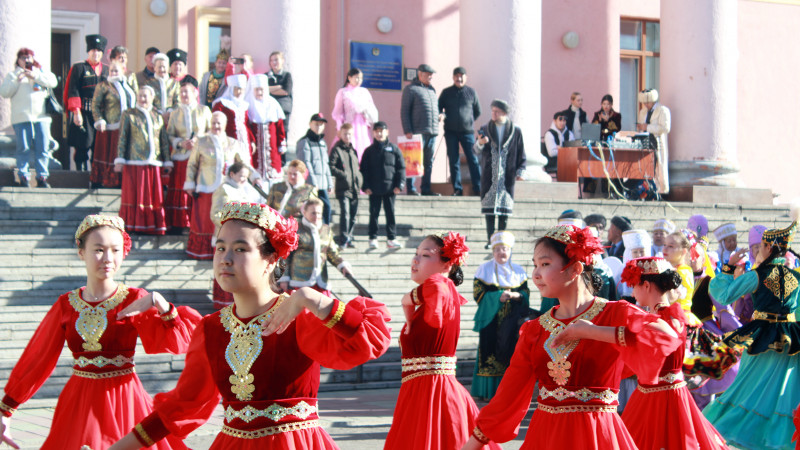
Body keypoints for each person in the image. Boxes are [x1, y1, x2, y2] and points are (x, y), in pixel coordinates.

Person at [107, 202, 392, 449]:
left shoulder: (298, 316)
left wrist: (312, 298)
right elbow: (182, 406)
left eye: (240, 248)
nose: (225, 258)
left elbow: (370, 339)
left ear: (270, 260)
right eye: (221, 248)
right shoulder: (211, 329)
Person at [463, 224, 681, 449]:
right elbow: (507, 397)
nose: (536, 274)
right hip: (546, 437)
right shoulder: (534, 330)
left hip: (598, 436)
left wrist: (590, 331)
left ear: (575, 269)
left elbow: (666, 335)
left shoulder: (616, 313)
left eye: (545, 264)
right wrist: (471, 445)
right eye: (535, 265)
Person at [0, 214, 201, 450]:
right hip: (78, 401)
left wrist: (161, 304)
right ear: (81, 251)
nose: (108, 258)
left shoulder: (135, 299)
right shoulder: (66, 304)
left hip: (124, 399)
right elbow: (38, 357)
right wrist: (7, 408)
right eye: (99, 249)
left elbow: (180, 342)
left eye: (115, 250)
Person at [386, 232, 496, 450]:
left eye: (426, 255)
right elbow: (414, 298)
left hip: (433, 395)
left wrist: (414, 301)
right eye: (416, 254)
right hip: (420, 394)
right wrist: (409, 311)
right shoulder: (433, 293)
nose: (415, 260)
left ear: (447, 265)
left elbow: (436, 286)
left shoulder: (441, 286)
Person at [704, 218, 800, 449]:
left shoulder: (758, 274)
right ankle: (777, 439)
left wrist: (728, 267)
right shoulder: (796, 277)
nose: (757, 251)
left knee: (747, 387)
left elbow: (724, 294)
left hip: (762, 339)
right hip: (790, 340)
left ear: (768, 248)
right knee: (781, 392)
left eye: (760, 247)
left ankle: (728, 429)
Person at [619, 257, 727, 449]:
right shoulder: (669, 314)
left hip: (662, 396)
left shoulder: (663, 317)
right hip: (658, 392)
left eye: (633, 285)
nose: (632, 292)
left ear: (646, 285)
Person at [184, 111, 260, 259]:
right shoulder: (201, 141)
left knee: (221, 222)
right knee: (204, 222)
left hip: (226, 189)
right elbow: (192, 164)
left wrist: (254, 176)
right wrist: (189, 182)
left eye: (219, 123)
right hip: (205, 186)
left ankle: (219, 253)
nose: (216, 126)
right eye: (213, 123)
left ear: (224, 125)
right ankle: (201, 252)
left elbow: (243, 163)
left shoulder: (233, 143)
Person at [471, 231, 530, 401]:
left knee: (511, 353)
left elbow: (525, 293)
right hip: (491, 319)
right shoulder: (484, 269)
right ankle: (488, 391)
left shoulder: (518, 271)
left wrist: (516, 296)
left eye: (505, 249)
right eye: (497, 249)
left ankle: (508, 391)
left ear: (510, 251)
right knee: (489, 353)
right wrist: (497, 297)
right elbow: (478, 293)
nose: (501, 252)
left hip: (513, 320)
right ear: (493, 251)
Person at [114, 85, 172, 235]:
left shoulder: (157, 116)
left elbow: (163, 140)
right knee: (134, 194)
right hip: (134, 162)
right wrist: (120, 159)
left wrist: (167, 160)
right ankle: (133, 225)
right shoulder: (129, 114)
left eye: (145, 96)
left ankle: (152, 225)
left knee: (152, 196)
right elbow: (123, 138)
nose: (142, 99)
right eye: (140, 95)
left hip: (153, 162)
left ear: (152, 98)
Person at [208, 162, 263, 310]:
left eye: (246, 177)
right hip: (227, 237)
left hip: (244, 238)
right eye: (241, 176)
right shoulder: (224, 189)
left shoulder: (245, 190)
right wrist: (233, 225)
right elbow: (215, 213)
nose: (244, 180)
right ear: (232, 174)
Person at [0, 47, 58, 187]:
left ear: (33, 59)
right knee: (23, 147)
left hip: (41, 117)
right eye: (23, 58)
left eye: (29, 57)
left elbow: (53, 82)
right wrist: (17, 80)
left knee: (42, 147)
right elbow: (5, 92)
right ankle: (23, 176)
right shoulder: (13, 75)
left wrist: (35, 76)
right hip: (22, 117)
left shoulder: (40, 71)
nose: (26, 60)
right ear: (18, 60)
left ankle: (42, 177)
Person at [475, 99, 527, 250]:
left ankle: (501, 240)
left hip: (507, 176)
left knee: (504, 211)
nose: (493, 114)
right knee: (489, 209)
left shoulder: (515, 131)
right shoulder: (485, 128)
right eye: (492, 111)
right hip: (489, 175)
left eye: (496, 111)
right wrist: (480, 143)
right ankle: (490, 239)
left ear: (504, 113)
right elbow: (475, 150)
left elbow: (521, 152)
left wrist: (520, 170)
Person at [165, 75, 212, 231]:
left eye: (187, 92)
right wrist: (180, 142)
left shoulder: (204, 110)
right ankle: (179, 224)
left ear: (195, 93)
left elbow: (211, 131)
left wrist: (198, 140)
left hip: (199, 158)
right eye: (182, 92)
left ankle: (196, 223)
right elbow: (169, 134)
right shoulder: (175, 113)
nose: (184, 95)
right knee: (180, 190)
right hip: (181, 158)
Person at [278, 198, 351, 295]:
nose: (317, 216)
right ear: (304, 212)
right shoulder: (295, 229)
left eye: (319, 213)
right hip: (299, 282)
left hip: (320, 282)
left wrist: (342, 265)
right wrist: (284, 278)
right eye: (313, 213)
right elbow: (285, 255)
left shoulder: (326, 230)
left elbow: (332, 253)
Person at [89, 61, 136, 189]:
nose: (113, 73)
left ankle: (123, 181)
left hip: (127, 127)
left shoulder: (129, 85)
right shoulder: (104, 85)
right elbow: (95, 105)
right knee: (109, 154)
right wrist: (99, 120)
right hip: (110, 127)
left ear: (122, 71)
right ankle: (107, 181)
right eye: (111, 71)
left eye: (116, 71)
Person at [65, 34, 109, 171]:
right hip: (84, 113)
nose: (95, 53)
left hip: (102, 115)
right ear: (88, 51)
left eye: (98, 51)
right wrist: (76, 112)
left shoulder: (107, 70)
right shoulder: (79, 68)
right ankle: (80, 175)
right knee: (82, 146)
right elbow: (73, 90)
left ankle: (96, 177)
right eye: (93, 50)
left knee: (99, 148)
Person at [360, 121, 405, 250]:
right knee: (374, 214)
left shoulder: (394, 149)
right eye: (377, 131)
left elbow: (401, 168)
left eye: (382, 131)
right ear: (373, 133)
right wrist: (365, 186)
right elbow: (364, 170)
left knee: (390, 213)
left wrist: (399, 185)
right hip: (373, 189)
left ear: (387, 132)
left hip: (390, 189)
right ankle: (373, 238)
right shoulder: (368, 151)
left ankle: (391, 239)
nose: (379, 133)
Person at [438, 66, 482, 196]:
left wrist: (468, 121)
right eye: (457, 76)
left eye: (462, 76)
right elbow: (439, 108)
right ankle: (457, 189)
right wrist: (441, 115)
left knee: (473, 159)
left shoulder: (471, 92)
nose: (459, 78)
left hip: (467, 132)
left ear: (466, 77)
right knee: (453, 160)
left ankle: (478, 187)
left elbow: (478, 111)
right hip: (450, 132)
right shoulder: (446, 92)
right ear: (453, 77)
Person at [400, 63, 442, 196]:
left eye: (431, 75)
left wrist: (440, 116)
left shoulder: (432, 90)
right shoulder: (410, 89)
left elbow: (435, 109)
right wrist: (407, 130)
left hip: (432, 132)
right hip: (417, 131)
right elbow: (404, 111)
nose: (430, 77)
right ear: (420, 74)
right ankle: (411, 188)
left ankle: (426, 188)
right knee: (413, 161)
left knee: (428, 162)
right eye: (428, 74)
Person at [245, 73, 286, 181]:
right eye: (257, 89)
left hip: (272, 148)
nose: (259, 92)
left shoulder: (273, 104)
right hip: (255, 149)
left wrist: (281, 143)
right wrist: (252, 141)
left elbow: (280, 126)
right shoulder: (248, 105)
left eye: (262, 89)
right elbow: (246, 126)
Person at [331, 67, 378, 160]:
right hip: (349, 125)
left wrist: (366, 111)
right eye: (356, 77)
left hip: (362, 126)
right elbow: (338, 112)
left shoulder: (364, 92)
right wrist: (339, 127)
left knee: (363, 148)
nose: (359, 80)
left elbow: (372, 109)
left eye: (360, 78)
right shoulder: (343, 92)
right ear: (349, 77)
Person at [329, 123, 363, 248]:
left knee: (353, 215)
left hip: (354, 187)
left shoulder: (353, 150)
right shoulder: (337, 149)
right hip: (343, 188)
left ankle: (349, 237)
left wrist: (359, 179)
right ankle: (343, 239)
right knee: (346, 214)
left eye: (349, 134)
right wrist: (344, 175)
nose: (347, 136)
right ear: (340, 134)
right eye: (345, 134)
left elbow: (357, 168)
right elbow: (331, 166)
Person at [296, 113, 333, 225]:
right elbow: (306, 164)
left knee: (326, 208)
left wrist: (329, 183)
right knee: (311, 210)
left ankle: (325, 232)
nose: (319, 127)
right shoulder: (304, 142)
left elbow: (326, 164)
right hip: (311, 185)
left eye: (321, 124)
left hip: (322, 184)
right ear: (310, 124)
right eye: (316, 124)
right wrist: (313, 183)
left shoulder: (322, 142)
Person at [637, 88, 671, 194]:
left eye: (648, 102)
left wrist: (647, 127)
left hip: (657, 142)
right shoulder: (643, 112)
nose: (646, 105)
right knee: (647, 167)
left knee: (659, 166)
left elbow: (665, 128)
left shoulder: (663, 110)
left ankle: (661, 191)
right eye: (644, 103)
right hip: (645, 143)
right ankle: (647, 191)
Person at [212, 74, 252, 153]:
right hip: (229, 141)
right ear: (231, 89)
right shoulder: (221, 104)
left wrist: (252, 140)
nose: (240, 92)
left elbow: (246, 124)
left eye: (242, 89)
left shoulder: (244, 105)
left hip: (244, 141)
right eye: (238, 89)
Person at [616, 229, 652, 302]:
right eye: (635, 252)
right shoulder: (623, 268)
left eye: (642, 251)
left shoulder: (652, 267)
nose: (639, 255)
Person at [267, 51, 293, 144]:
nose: (274, 62)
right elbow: (263, 90)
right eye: (272, 60)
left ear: (282, 61)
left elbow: (286, 91)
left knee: (282, 137)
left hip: (283, 110)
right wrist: (279, 86)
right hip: (269, 111)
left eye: (276, 60)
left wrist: (270, 89)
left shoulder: (287, 76)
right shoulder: (266, 76)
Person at [145, 53, 179, 119]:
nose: (162, 69)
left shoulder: (174, 83)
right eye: (159, 67)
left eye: (164, 67)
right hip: (154, 117)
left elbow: (178, 101)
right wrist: (159, 113)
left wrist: (169, 112)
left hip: (172, 118)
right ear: (154, 68)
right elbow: (148, 102)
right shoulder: (149, 83)